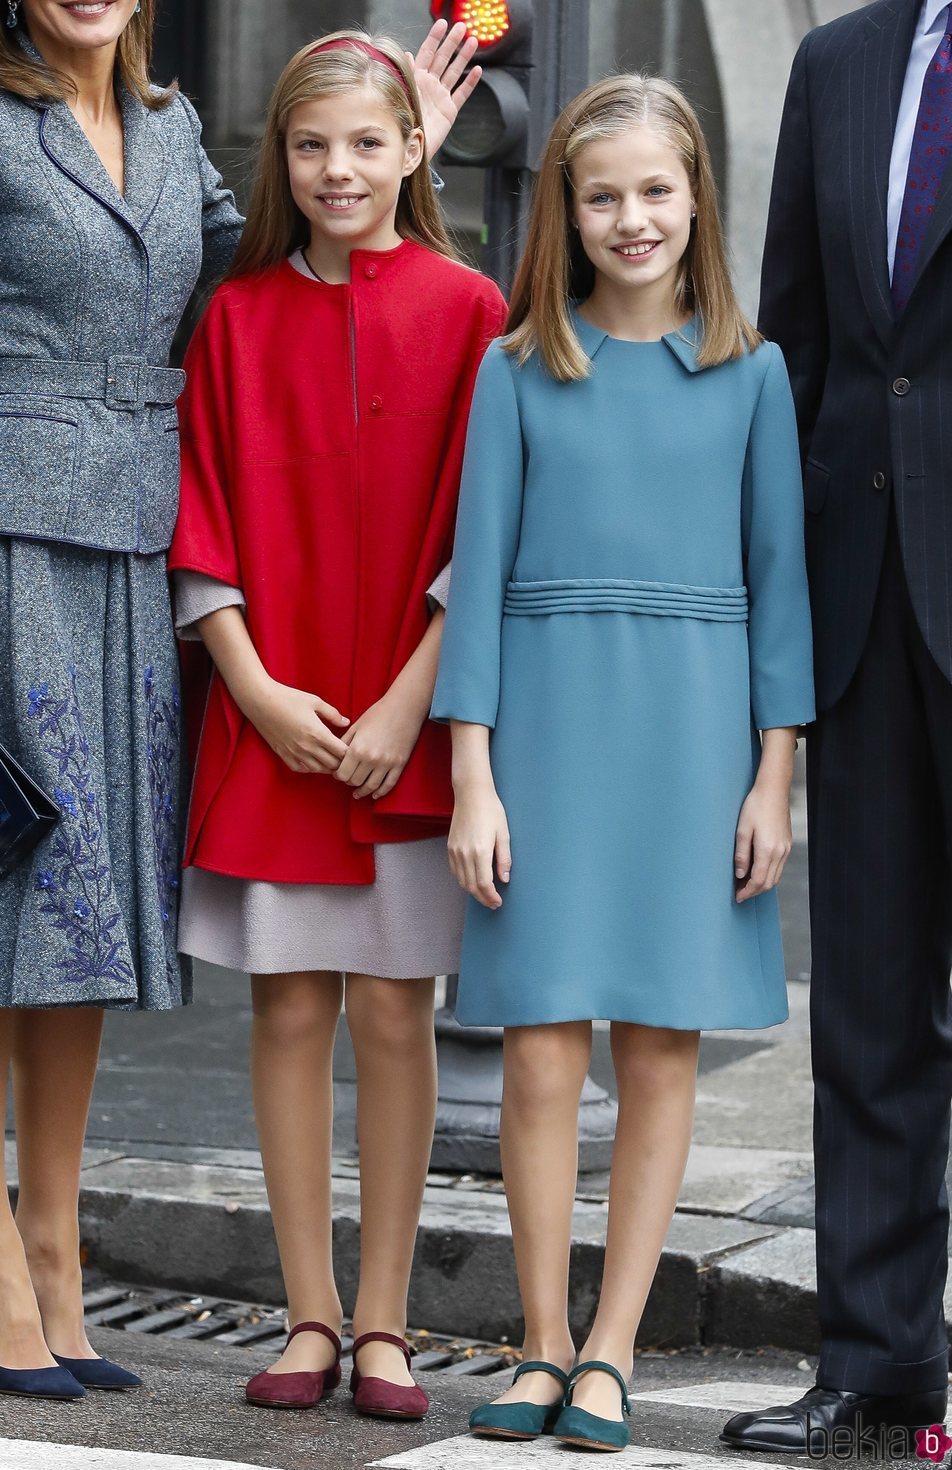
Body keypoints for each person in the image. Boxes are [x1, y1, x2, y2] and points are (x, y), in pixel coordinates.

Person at [0, 0, 483, 1402]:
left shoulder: (165, 133)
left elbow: (253, 253)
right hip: (18, 531)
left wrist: (402, 151)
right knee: (10, 876)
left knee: (74, 897)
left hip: (131, 549)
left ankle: (53, 1251)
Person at [431, 74, 815, 1455]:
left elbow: (783, 586)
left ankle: (611, 1348)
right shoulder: (520, 369)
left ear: (697, 197)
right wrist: (472, 775)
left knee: (661, 1047)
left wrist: (776, 777)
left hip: (698, 735)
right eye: (604, 195)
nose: (632, 217)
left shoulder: (753, 370)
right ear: (568, 212)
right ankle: (537, 1341)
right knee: (538, 1054)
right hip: (544, 730)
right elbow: (473, 588)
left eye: (656, 190)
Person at [168, 31, 506, 1424]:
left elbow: (486, 523)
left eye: (368, 143)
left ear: (416, 150)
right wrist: (247, 685)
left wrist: (414, 695)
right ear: (280, 163)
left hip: (407, 725)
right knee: (290, 1005)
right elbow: (201, 507)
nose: (339, 170)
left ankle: (385, 1323)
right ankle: (306, 1312)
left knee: (393, 1014)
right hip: (277, 721)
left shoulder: (475, 308)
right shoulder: (236, 319)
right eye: (312, 146)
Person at [720, 4, 952, 1462]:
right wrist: (775, 610)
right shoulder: (839, 60)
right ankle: (880, 1365)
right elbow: (801, 352)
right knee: (870, 1016)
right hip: (862, 608)